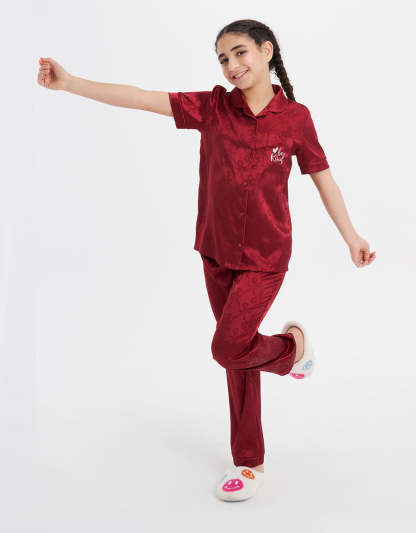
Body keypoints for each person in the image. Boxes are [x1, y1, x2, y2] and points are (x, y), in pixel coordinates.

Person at [37, 18, 376, 502]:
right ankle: (250, 461)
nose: (231, 65)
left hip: (265, 257)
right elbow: (140, 97)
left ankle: (290, 351)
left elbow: (324, 178)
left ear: (266, 50)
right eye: (222, 58)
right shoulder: (213, 107)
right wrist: (70, 83)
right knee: (237, 357)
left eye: (239, 53)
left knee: (228, 348)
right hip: (215, 252)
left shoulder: (295, 118)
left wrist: (351, 236)